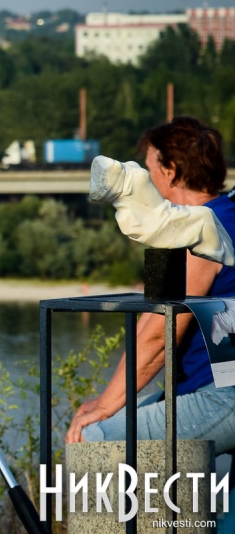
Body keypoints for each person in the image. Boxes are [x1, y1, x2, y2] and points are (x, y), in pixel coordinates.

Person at [67, 116, 235, 452]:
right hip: (208, 388)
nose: (148, 177)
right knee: (111, 421)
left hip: (223, 395)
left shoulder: (204, 231)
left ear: (169, 171)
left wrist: (105, 405)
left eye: (149, 168)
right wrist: (110, 400)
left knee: (92, 440)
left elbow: (163, 333)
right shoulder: (219, 215)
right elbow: (152, 320)